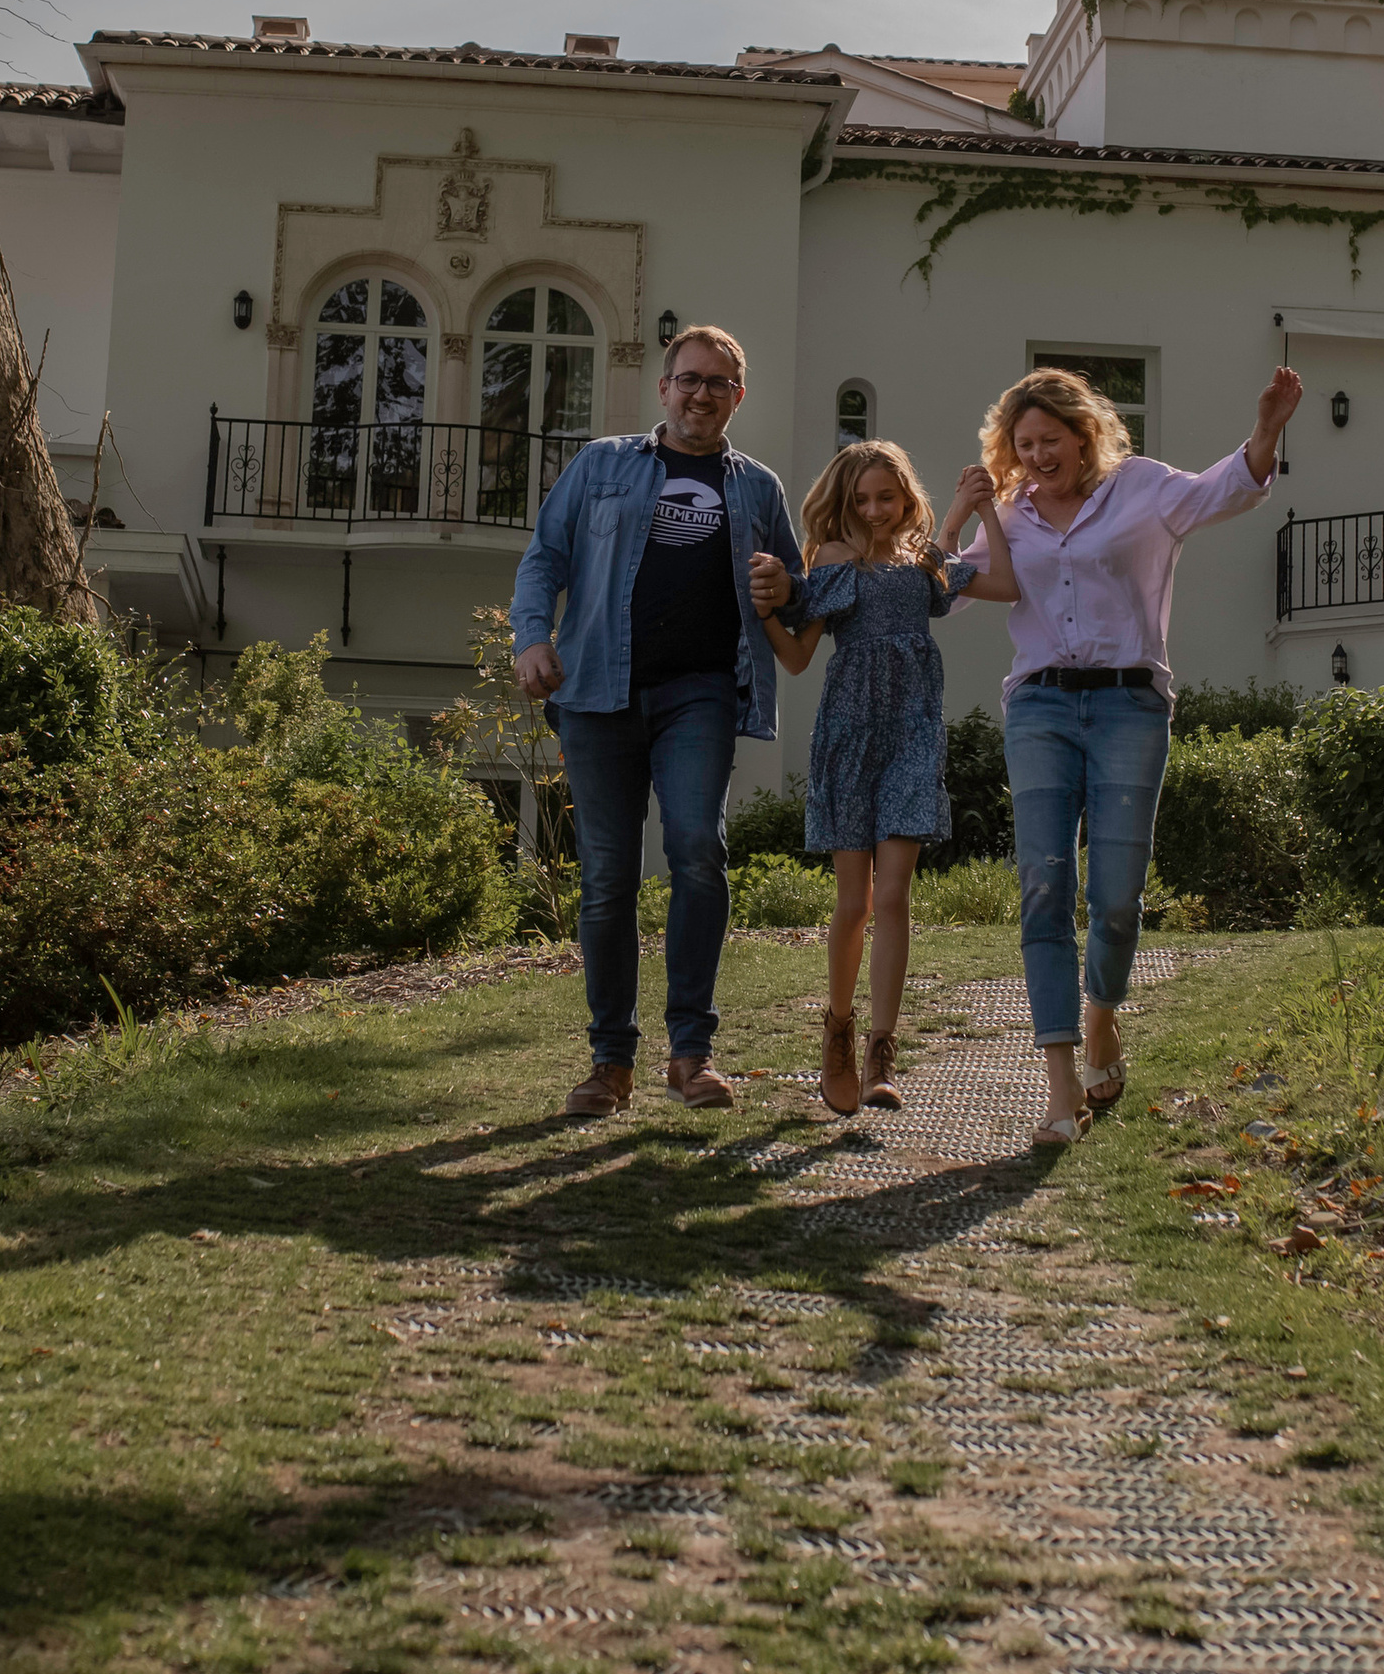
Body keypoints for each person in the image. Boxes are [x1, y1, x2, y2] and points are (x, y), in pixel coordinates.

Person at [953, 359, 1301, 1149]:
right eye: (1024, 443)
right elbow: (956, 583)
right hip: (1039, 704)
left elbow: (1229, 487)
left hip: (1129, 704)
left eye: (1051, 440)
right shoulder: (1009, 510)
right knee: (1044, 886)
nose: (1038, 456)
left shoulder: (1142, 487)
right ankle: (1058, 1086)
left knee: (1115, 892)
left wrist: (1267, 430)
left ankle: (1102, 1016)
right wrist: (956, 520)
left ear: (1085, 434)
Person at [510, 322, 806, 1120]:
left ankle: (691, 1052)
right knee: (607, 879)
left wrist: (786, 580)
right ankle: (610, 1063)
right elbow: (544, 556)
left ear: (737, 398)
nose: (701, 393)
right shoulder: (604, 464)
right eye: (690, 378)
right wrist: (532, 636)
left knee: (696, 851)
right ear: (664, 387)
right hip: (596, 694)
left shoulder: (758, 487)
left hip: (700, 693)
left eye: (719, 383)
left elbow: (794, 589)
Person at [748, 441, 1019, 1116]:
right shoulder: (835, 562)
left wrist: (986, 510)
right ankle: (837, 1028)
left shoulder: (924, 559)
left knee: (894, 894)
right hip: (848, 737)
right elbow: (799, 658)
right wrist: (764, 617)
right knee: (855, 902)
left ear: (904, 497)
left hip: (913, 737)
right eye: (862, 499)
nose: (873, 510)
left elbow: (1007, 584)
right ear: (846, 501)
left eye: (885, 497)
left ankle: (881, 1049)